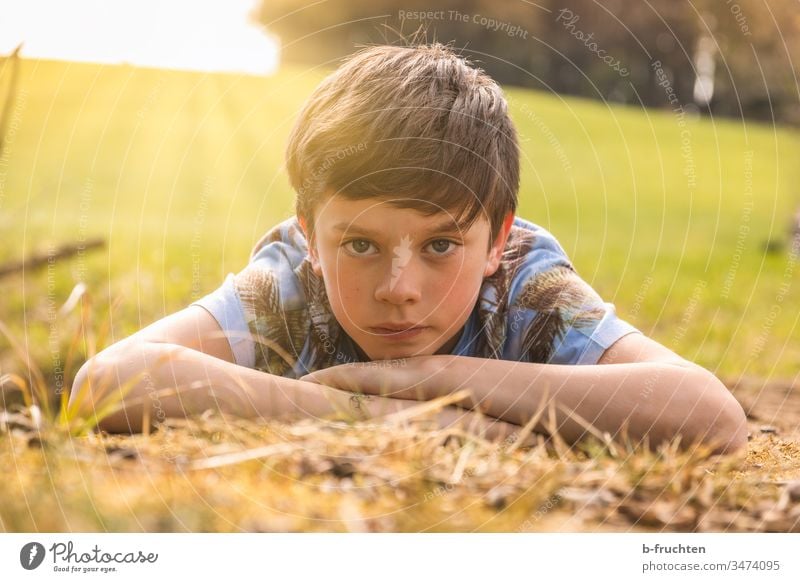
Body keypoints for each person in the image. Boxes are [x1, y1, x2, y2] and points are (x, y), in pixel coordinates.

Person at [70, 43, 747, 454]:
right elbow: (106, 381)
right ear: (309, 234)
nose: (400, 286)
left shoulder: (526, 284)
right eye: (360, 244)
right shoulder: (289, 281)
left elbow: (709, 415)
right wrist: (374, 417)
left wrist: (435, 381)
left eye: (442, 244)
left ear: (497, 239)